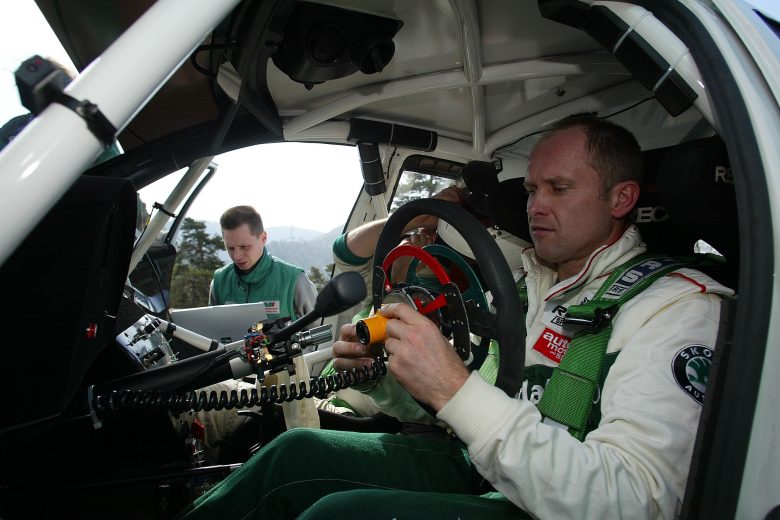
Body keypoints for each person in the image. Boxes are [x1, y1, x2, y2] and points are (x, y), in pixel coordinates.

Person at [176, 115, 733, 519]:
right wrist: (379, 375)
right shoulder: (525, 289)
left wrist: (455, 389)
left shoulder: (675, 308)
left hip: (553, 503)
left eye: (559, 188)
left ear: (621, 198)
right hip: (484, 466)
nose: (535, 205)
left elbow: (637, 501)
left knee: (338, 515)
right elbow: (461, 412)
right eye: (532, 188)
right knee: (292, 454)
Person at [209, 205, 317, 320]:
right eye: (230, 248)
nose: (237, 256)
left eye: (244, 247)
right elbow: (212, 327)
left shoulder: (295, 281)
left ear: (263, 238)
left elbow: (319, 328)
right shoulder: (219, 282)